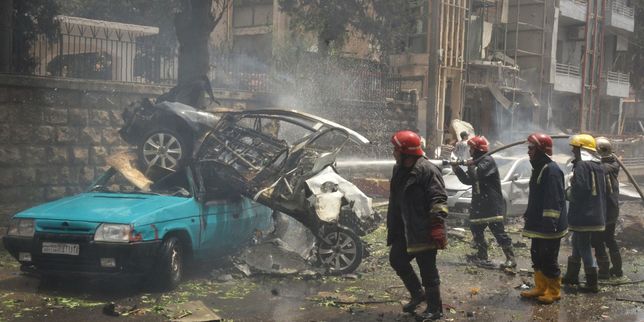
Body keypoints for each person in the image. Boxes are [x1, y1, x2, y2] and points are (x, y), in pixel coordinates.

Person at [387, 130, 448, 320]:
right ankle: (417, 294)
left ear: (406, 152)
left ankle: (434, 309)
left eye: (396, 150)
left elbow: (438, 199)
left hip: (424, 229)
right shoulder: (399, 169)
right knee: (397, 259)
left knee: (427, 270)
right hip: (404, 229)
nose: (393, 153)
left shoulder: (427, 170)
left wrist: (437, 225)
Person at [451, 136, 516, 269]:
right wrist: (457, 169)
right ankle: (482, 255)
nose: (470, 150)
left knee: (497, 231)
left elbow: (476, 175)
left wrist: (470, 164)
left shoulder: (487, 161)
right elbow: (469, 181)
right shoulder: (477, 162)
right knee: (475, 228)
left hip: (491, 204)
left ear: (476, 149)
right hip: (479, 203)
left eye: (471, 148)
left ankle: (510, 258)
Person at [519, 133, 568, 304]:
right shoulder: (539, 168)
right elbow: (537, 197)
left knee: (548, 258)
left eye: (531, 148)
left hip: (549, 225)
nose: (528, 151)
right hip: (538, 223)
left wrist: (550, 223)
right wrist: (529, 213)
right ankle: (541, 287)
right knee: (536, 255)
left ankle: (554, 291)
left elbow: (554, 200)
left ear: (540, 150)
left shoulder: (552, 170)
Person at [562, 134, 606, 293]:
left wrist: (566, 193)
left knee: (583, 245)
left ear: (582, 149)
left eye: (575, 148)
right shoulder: (598, 165)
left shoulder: (581, 166)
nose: (573, 151)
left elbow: (580, 189)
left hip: (584, 214)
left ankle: (591, 282)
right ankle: (572, 275)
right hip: (595, 214)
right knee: (578, 242)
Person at [591, 137, 623, 279]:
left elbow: (599, 169)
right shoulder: (614, 164)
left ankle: (604, 271)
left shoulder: (604, 167)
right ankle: (617, 269)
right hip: (611, 210)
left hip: (604, 211)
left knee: (598, 240)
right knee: (610, 239)